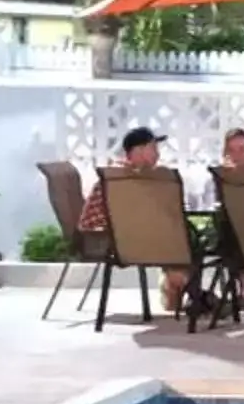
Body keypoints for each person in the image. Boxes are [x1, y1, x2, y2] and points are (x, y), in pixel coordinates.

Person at [79, 126, 190, 312]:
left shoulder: (111, 178)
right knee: (186, 241)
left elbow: (87, 221)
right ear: (138, 151)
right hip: (129, 243)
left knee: (176, 238)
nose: (158, 153)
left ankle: (175, 287)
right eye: (153, 148)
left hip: (125, 243)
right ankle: (179, 288)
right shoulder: (143, 181)